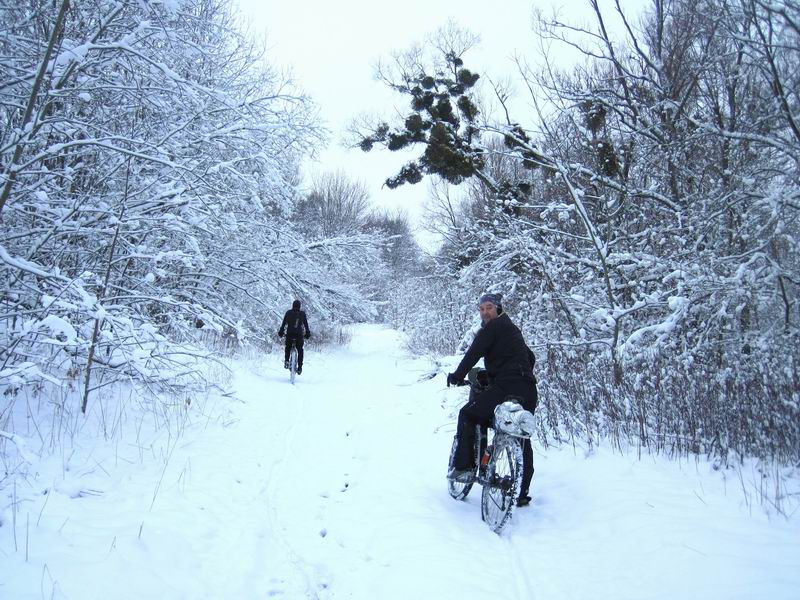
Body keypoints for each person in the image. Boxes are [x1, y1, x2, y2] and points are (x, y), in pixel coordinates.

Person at [446, 293, 537, 507]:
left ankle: (464, 468)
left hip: (505, 387)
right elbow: (530, 357)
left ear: (498, 308)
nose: (485, 312)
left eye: (489, 307)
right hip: (528, 388)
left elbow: (474, 352)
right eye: (481, 309)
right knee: (521, 435)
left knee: (468, 414)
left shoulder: (493, 327)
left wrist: (458, 376)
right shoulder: (512, 329)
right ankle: (521, 492)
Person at [278, 300, 311, 375]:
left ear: (292, 305)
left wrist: (281, 331)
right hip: (299, 335)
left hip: (290, 334)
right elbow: (306, 325)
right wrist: (307, 333)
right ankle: (299, 367)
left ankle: (286, 361)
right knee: (300, 350)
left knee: (288, 347)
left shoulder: (288, 313)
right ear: (300, 306)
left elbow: (284, 324)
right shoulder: (302, 314)